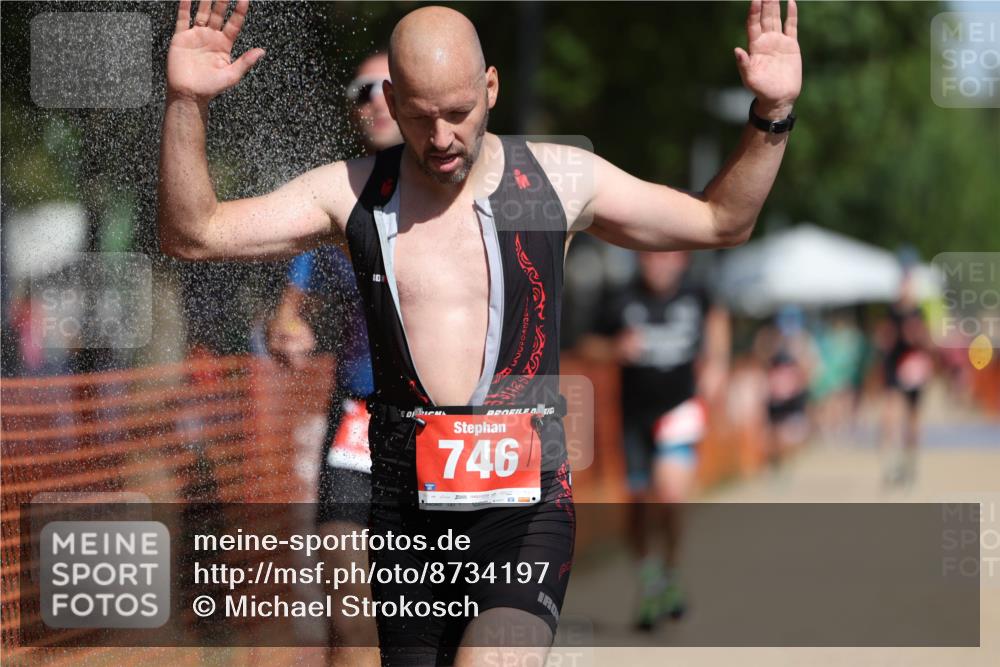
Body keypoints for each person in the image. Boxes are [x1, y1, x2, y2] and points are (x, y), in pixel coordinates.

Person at [158, 1, 801, 663]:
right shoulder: (355, 195)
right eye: (420, 115)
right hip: (406, 520)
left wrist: (771, 116)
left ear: (491, 88)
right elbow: (194, 233)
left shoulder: (549, 182)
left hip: (524, 515)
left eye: (459, 112)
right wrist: (185, 102)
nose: (441, 138)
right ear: (392, 101)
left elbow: (722, 220)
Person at [265, 51, 402, 667]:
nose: (372, 98)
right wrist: (287, 329)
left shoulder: (470, 192)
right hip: (358, 419)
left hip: (450, 430)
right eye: (361, 88)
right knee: (351, 601)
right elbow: (289, 311)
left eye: (387, 86)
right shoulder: (339, 197)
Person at [578, 251, 730, 630]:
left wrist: (717, 363)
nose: (658, 264)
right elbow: (586, 345)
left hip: (679, 410)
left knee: (670, 497)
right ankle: (652, 582)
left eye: (667, 258)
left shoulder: (697, 293)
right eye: (650, 257)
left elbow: (717, 317)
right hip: (634, 418)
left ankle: (671, 571)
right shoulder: (621, 297)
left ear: (681, 261)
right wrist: (616, 349)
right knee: (640, 505)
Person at [877, 268, 933, 487]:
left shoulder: (918, 311)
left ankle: (910, 464)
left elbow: (927, 341)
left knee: (912, 419)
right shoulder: (892, 312)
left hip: (914, 370)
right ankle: (891, 464)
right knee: (890, 416)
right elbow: (885, 339)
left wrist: (917, 336)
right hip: (895, 368)